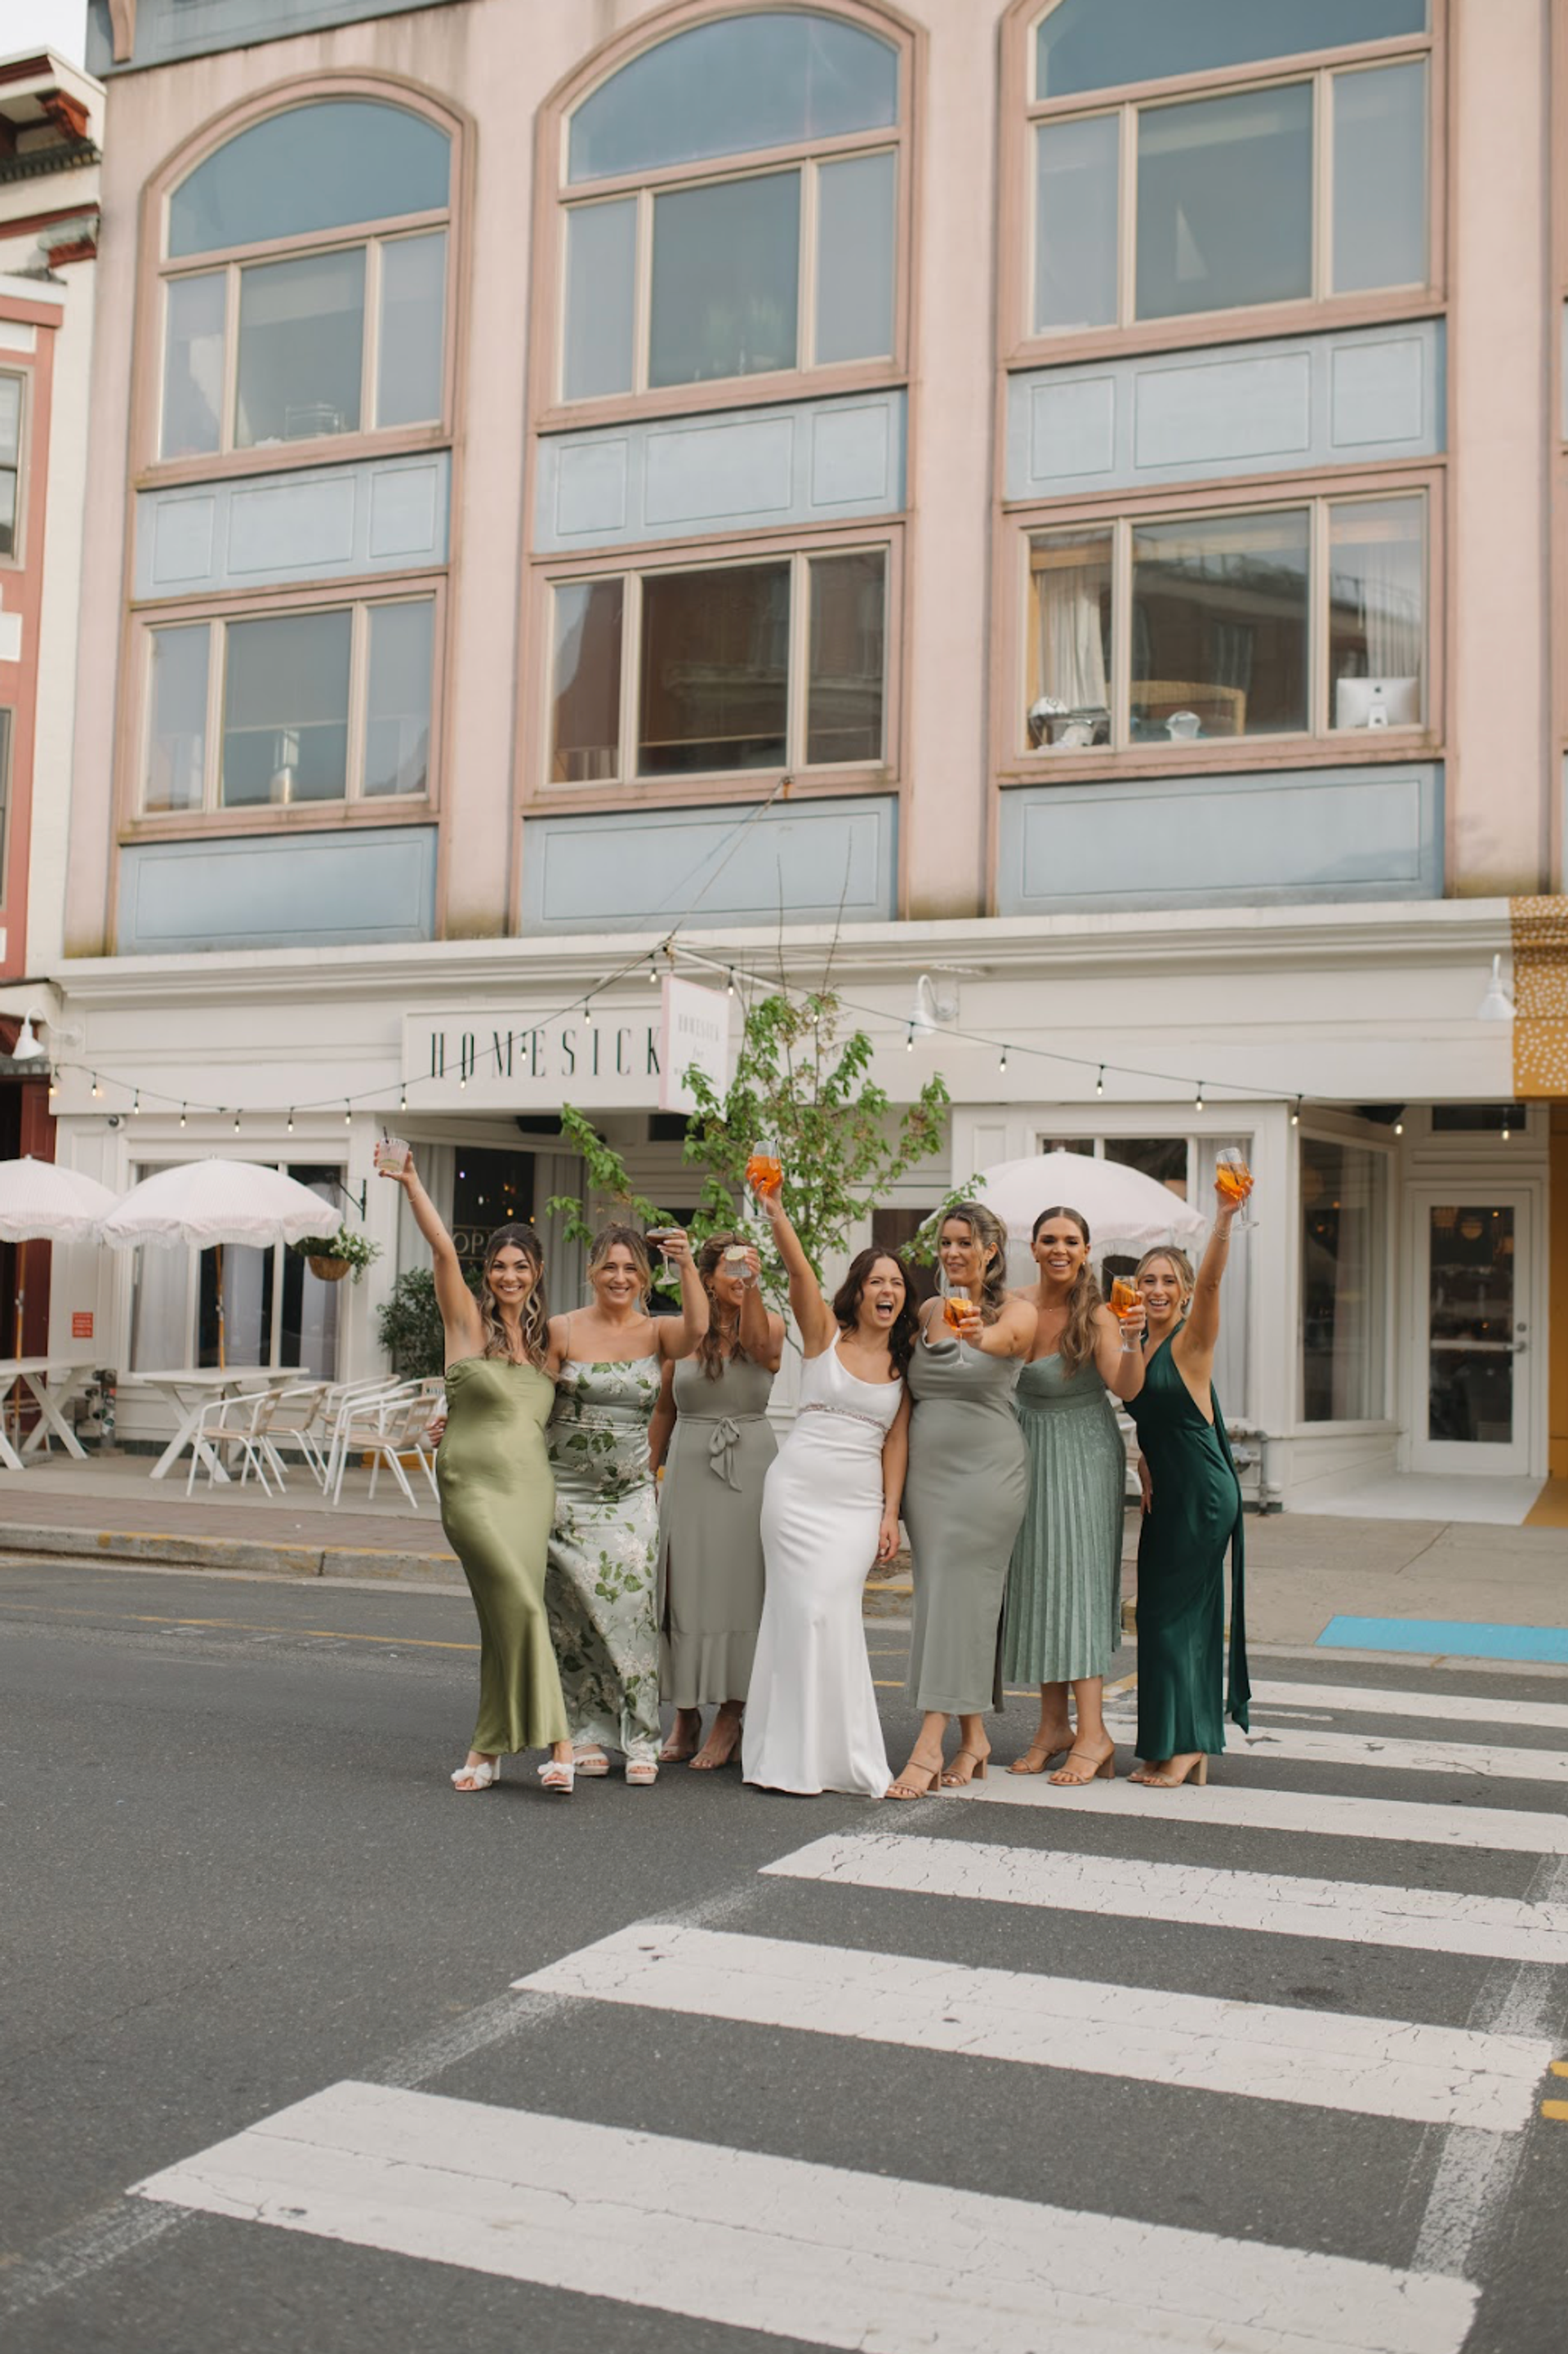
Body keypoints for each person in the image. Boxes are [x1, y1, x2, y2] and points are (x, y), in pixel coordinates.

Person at [376, 1145, 572, 1795]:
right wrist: (411, 1181)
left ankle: (485, 1752)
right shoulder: (465, 1322)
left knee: (504, 1617)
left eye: (520, 1266)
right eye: (498, 1266)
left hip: (531, 1493)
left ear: (537, 1272)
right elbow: (440, 1249)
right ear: (487, 1273)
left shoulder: (547, 1347)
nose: (508, 1276)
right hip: (472, 1489)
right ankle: (562, 1745)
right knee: (522, 1603)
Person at [743, 1184, 911, 1799]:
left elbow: (897, 1442)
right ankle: (784, 1755)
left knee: (828, 1612)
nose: (887, 1290)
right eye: (877, 1281)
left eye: (896, 1283)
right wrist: (776, 1210)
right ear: (858, 1291)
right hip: (794, 1497)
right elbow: (799, 1273)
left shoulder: (905, 1363)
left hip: (856, 1509)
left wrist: (891, 1514)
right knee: (795, 1614)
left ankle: (839, 1754)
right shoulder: (824, 1337)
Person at [544, 1224, 708, 1786]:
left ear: (644, 1278)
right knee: (573, 1617)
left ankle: (641, 1735)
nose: (620, 1278)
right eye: (610, 1267)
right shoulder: (562, 1329)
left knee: (634, 1608)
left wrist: (687, 1264)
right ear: (592, 1271)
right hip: (565, 1494)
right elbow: (529, 1402)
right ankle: (584, 1730)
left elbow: (697, 1330)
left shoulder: (658, 1332)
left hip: (630, 1496)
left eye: (631, 1268)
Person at [889, 1203, 1033, 1797]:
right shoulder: (926, 1311)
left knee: (958, 1596)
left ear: (990, 1251)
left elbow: (1005, 1341)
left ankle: (929, 1742)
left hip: (987, 1478)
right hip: (928, 1482)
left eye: (964, 1243)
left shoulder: (1015, 1311)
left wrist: (979, 1334)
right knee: (947, 1601)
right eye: (946, 1242)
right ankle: (974, 1738)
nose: (952, 1253)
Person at [1002, 1206, 1147, 1787]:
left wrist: (1132, 1339)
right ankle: (1052, 1728)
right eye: (1048, 1239)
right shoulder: (1012, 1304)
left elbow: (1127, 1386)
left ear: (1086, 1250)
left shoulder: (1100, 1313)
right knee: (1039, 1584)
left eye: (1070, 1240)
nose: (1059, 1249)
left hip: (1083, 1452)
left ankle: (1094, 1734)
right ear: (1033, 1248)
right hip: (1026, 1449)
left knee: (1078, 1587)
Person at [1127, 1175, 1252, 1789]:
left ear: (1181, 1291)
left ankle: (1188, 1743)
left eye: (1168, 1281)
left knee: (1176, 1615)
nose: (1157, 1289)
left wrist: (1224, 1217)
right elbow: (1149, 1415)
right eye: (1147, 1280)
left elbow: (1212, 1283)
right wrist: (1143, 1459)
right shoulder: (1136, 1343)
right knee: (1156, 1614)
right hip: (1165, 1494)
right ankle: (1165, 1743)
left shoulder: (1191, 1341)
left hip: (1202, 1495)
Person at [649, 1234, 784, 1770]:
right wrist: (646, 1472)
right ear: (706, 1279)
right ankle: (686, 1713)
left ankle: (732, 1714)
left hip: (750, 1470)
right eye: (731, 1267)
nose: (740, 1275)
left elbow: (762, 1348)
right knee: (685, 1588)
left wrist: (752, 1287)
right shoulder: (681, 1333)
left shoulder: (767, 1324)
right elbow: (664, 1409)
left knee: (743, 1590)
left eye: (749, 1266)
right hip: (688, 1469)